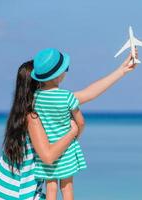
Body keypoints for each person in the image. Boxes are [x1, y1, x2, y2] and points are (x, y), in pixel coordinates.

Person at [0, 50, 138, 199]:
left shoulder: (26, 108)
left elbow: (89, 93)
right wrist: (72, 132)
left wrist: (122, 70)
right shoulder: (32, 116)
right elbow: (48, 157)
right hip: (18, 195)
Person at [30, 48, 87, 200]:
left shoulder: (35, 98)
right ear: (58, 76)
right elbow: (80, 122)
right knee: (67, 186)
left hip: (48, 146)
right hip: (67, 148)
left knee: (51, 186)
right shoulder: (67, 97)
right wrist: (76, 135)